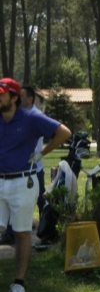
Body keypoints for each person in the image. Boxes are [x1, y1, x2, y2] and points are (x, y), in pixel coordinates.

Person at [0, 78, 71, 292]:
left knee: (22, 232)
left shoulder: (31, 117)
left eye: (2, 94)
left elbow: (64, 132)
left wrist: (43, 152)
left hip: (24, 182)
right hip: (0, 181)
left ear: (14, 98)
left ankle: (18, 284)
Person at [0, 86, 48, 246]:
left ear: (30, 99)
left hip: (32, 171)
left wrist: (41, 153)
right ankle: (9, 233)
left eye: (22, 96)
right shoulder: (10, 117)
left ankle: (45, 231)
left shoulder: (35, 117)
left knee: (41, 201)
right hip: (10, 173)